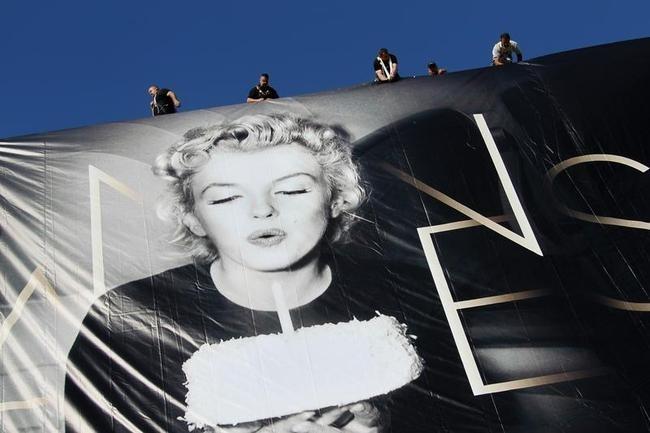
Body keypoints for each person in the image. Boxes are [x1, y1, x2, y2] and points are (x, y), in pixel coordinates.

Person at [64, 113, 412, 433]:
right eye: (226, 199)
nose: (262, 211)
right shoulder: (128, 320)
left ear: (336, 201)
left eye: (292, 190)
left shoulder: (411, 292)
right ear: (193, 219)